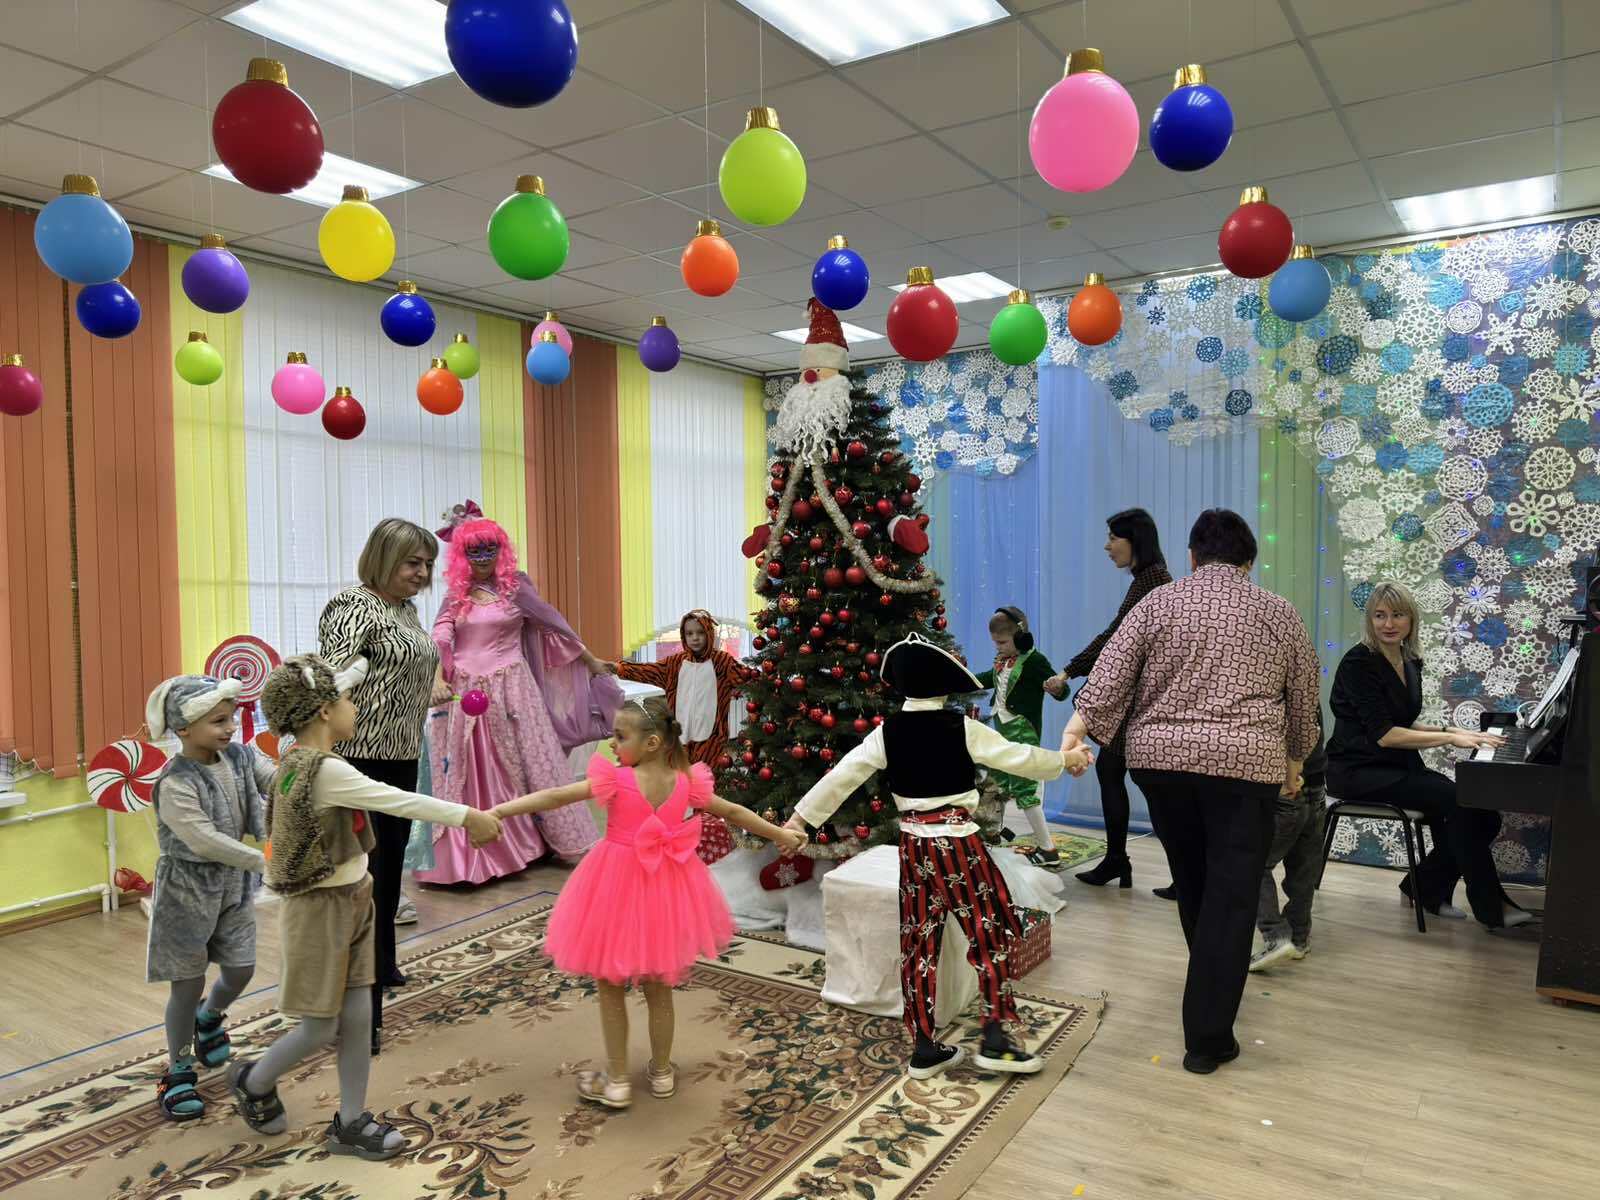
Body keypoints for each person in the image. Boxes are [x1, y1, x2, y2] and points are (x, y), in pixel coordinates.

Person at [1062, 509, 1319, 1075]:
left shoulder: (1158, 603)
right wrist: (1295, 762)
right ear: (1249, 561)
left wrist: (1075, 731)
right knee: (1232, 894)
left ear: (1193, 556)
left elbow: (1110, 675)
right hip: (1244, 767)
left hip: (1162, 765)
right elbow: (1303, 700)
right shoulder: (1280, 612)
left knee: (1195, 883)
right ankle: (1208, 1037)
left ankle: (1208, 987)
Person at [787, 634, 1094, 1080]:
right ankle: (996, 1040)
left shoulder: (887, 732)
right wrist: (1066, 760)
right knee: (988, 931)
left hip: (914, 847)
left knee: (919, 942)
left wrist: (799, 820)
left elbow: (842, 776)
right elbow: (1018, 758)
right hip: (957, 843)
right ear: (943, 686)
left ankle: (925, 1047)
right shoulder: (961, 727)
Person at [233, 654, 501, 1159]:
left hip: (354, 899)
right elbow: (397, 799)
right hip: (319, 911)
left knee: (358, 1018)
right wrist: (469, 816)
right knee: (321, 1025)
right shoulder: (325, 771)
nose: (355, 708)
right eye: (348, 700)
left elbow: (339, 686)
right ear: (324, 712)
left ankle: (351, 1121)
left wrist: (359, 665)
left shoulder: (302, 755)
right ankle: (255, 1080)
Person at [489, 696, 805, 1109]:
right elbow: (734, 812)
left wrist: (499, 811)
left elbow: (554, 796)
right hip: (667, 888)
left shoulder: (616, 780)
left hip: (614, 884)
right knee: (660, 986)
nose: (612, 744)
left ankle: (618, 1081)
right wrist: (780, 834)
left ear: (652, 742)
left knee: (610, 984)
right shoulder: (686, 782)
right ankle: (661, 1072)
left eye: (620, 737)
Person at [420, 509, 622, 885]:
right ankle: (467, 852)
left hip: (511, 687)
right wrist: (435, 679)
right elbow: (440, 636)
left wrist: (592, 661)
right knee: (467, 767)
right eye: (474, 551)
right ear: (462, 555)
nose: (483, 558)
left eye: (490, 549)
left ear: (502, 550)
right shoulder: (456, 595)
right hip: (464, 692)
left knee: (525, 762)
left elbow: (554, 623)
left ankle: (528, 841)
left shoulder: (516, 587)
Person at [1326, 582, 1529, 930]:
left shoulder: (1409, 660)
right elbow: (1386, 735)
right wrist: (1450, 739)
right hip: (1357, 769)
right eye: (1380, 616)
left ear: (1411, 619)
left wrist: (1454, 730)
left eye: (1397, 615)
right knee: (1460, 803)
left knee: (1484, 816)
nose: (1388, 624)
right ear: (1370, 620)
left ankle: (1424, 887)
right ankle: (1490, 907)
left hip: (1395, 766)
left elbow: (1403, 721)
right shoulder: (1358, 663)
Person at [318, 517, 444, 1052]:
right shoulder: (353, 607)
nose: (422, 573)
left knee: (389, 871)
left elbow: (409, 668)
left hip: (400, 754)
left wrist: (433, 685)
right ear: (384, 558)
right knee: (362, 883)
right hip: (359, 759)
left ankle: (383, 963)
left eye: (428, 564)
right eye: (413, 562)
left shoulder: (405, 611)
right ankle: (357, 1012)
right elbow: (333, 681)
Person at [144, 674, 271, 1121]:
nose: (231, 727)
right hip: (187, 892)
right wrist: (262, 860)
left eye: (232, 717)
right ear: (183, 728)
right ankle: (178, 1068)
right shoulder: (175, 782)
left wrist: (309, 774)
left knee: (241, 968)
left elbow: (275, 780)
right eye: (218, 721)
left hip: (233, 884)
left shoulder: (240, 756)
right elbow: (203, 840)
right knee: (187, 983)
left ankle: (210, 1017)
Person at [1045, 507, 1174, 892]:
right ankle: (1121, 860)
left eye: (1113, 538)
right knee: (1114, 772)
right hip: (1139, 699)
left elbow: (1115, 639)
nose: (1107, 546)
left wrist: (1069, 671)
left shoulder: (1152, 582)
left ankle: (1175, 871)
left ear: (1135, 541)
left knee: (1151, 785)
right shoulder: (1148, 579)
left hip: (1143, 701)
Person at [608, 608, 757, 864]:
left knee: (706, 792)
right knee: (671, 786)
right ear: (683, 636)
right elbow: (647, 670)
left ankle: (705, 840)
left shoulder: (722, 662)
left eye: (700, 633)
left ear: (709, 634)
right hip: (678, 740)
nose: (695, 638)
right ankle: (663, 835)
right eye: (689, 634)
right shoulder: (675, 663)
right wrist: (618, 668)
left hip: (711, 739)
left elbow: (749, 678)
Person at [976, 607, 1064, 866]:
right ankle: (992, 835)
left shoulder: (1035, 661)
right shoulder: (1002, 659)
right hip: (1002, 731)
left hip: (1023, 732)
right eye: (995, 642)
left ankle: (1048, 850)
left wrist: (1057, 687)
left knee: (1026, 790)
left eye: (1003, 642)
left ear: (1021, 637)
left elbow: (1061, 690)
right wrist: (962, 679)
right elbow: (991, 679)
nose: (998, 647)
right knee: (995, 782)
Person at [1250, 719, 1327, 972]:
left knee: (1252, 863)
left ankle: (1276, 935)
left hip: (1287, 785)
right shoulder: (1309, 695)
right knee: (1304, 870)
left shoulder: (1280, 696)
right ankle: (1298, 937)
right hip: (1315, 784)